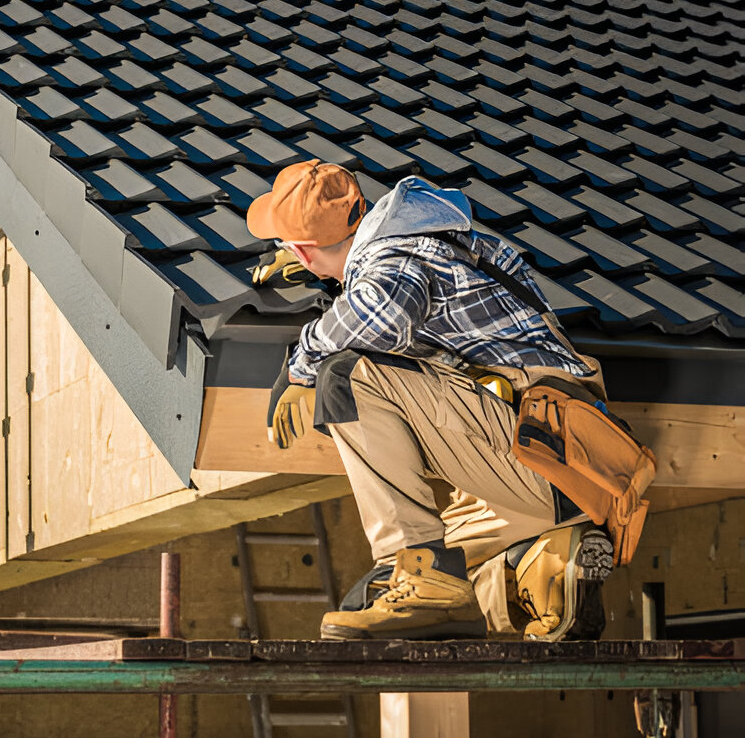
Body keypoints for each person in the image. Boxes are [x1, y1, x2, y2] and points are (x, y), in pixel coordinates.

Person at [246, 160, 614, 641]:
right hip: (562, 470)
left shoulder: (396, 259)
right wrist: (335, 274)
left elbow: (384, 310)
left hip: (536, 451)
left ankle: (425, 578)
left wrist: (301, 366)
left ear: (302, 250)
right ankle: (547, 568)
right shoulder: (434, 242)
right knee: (392, 595)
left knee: (346, 376)